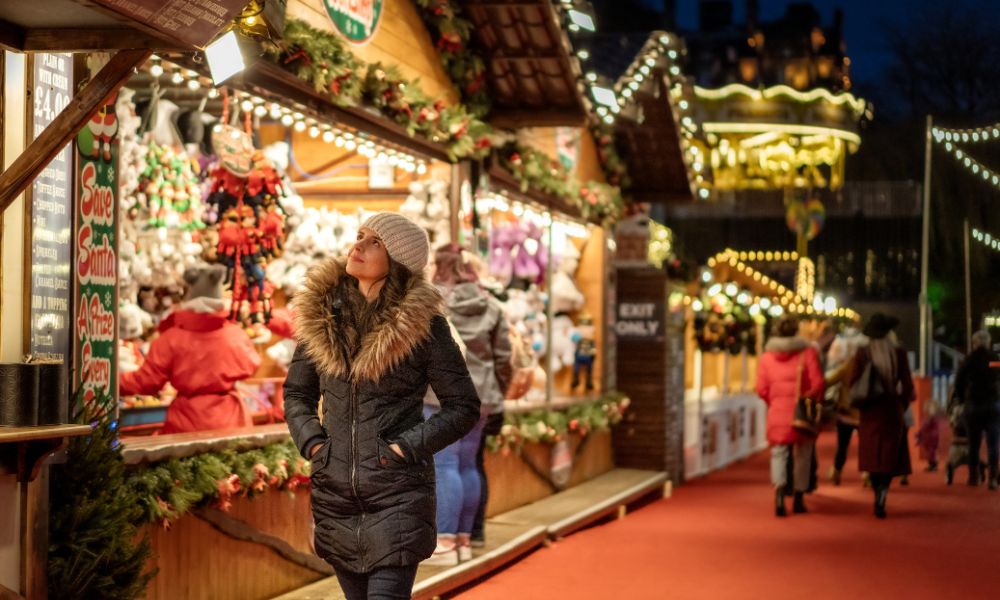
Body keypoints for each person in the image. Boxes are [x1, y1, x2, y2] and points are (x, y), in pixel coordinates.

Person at [283, 213, 481, 600]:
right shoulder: (323, 319)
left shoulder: (424, 326)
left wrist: (404, 448)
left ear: (399, 260)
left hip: (398, 494)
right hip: (336, 495)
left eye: (374, 241)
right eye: (359, 236)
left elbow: (462, 406)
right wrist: (315, 445)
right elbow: (297, 394)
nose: (358, 246)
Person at [424, 244, 513, 564]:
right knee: (467, 464)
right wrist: (495, 391)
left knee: (445, 465)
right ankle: (463, 538)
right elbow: (504, 358)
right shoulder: (490, 304)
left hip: (441, 396)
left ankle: (445, 543)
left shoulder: (431, 301)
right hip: (482, 396)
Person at [120, 264, 261, 433]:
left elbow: (146, 382)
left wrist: (111, 382)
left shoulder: (170, 339)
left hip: (187, 424)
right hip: (232, 422)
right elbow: (252, 365)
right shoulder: (236, 335)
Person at [756, 315, 824, 517]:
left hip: (777, 412)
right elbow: (818, 383)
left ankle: (779, 495)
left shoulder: (767, 357)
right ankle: (799, 498)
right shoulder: (807, 352)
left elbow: (761, 389)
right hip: (800, 412)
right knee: (803, 454)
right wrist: (809, 399)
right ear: (796, 331)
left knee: (779, 453)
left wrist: (774, 402)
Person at [848, 314, 914, 519]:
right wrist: (901, 404)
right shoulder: (898, 352)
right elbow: (908, 385)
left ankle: (877, 491)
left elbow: (853, 382)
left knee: (871, 454)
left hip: (869, 410)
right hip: (891, 409)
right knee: (888, 455)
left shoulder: (863, 352)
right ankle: (883, 492)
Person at [953, 330, 999, 489]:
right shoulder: (995, 359)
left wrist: (961, 399)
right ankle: (993, 477)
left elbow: (959, 380)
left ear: (974, 343)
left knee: (974, 443)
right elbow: (997, 375)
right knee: (993, 443)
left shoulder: (968, 359)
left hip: (973, 405)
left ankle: (974, 477)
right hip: (992, 404)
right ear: (988, 342)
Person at [825, 320, 867, 485]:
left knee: (842, 445)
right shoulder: (868, 366)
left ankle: (837, 471)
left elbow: (830, 380)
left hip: (846, 409)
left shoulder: (846, 366)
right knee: (865, 444)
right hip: (863, 410)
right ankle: (867, 473)